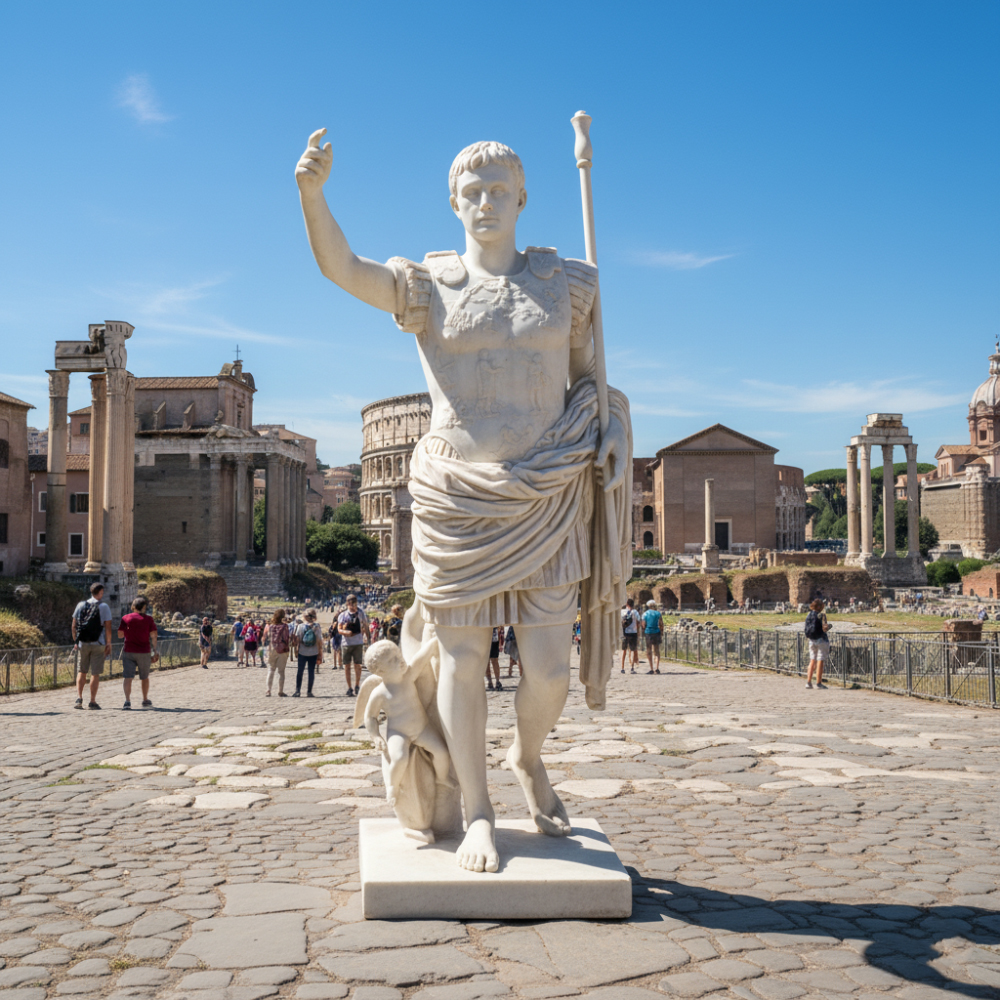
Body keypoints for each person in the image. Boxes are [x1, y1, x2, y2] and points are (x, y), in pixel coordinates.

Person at [295, 131, 631, 874]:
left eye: (498, 191)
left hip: (547, 492)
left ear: (521, 199)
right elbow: (343, 269)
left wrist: (609, 429)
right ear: (454, 203)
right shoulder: (429, 286)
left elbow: (590, 382)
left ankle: (528, 754)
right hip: (457, 499)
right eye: (471, 193)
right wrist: (313, 198)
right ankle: (477, 812)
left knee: (548, 671)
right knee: (463, 662)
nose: (484, 203)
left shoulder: (567, 283)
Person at [72, 582, 113, 710]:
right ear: (100, 592)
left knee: (82, 671)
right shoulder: (104, 607)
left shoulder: (80, 605)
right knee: (95, 673)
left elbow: (73, 626)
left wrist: (76, 641)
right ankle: (92, 701)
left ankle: (79, 698)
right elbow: (108, 628)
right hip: (98, 644)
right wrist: (108, 643)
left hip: (83, 643)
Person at [117, 596, 158, 709]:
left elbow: (120, 635)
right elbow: (153, 635)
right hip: (144, 651)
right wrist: (155, 650)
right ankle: (145, 699)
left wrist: (130, 632)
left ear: (133, 607)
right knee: (144, 677)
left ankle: (127, 701)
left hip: (129, 650)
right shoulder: (149, 619)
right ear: (144, 607)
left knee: (128, 677)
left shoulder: (126, 618)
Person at [338, 594, 369, 696]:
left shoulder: (361, 613)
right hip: (346, 643)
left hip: (358, 642)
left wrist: (368, 639)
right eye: (351, 604)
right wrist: (346, 632)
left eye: (354, 604)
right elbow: (339, 629)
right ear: (347, 604)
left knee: (358, 665)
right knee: (347, 666)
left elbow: (366, 626)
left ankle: (357, 685)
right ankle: (349, 687)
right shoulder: (342, 615)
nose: (353, 606)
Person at [289, 608, 322, 697]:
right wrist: (320, 654)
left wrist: (296, 650)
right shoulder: (317, 626)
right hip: (314, 652)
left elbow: (297, 640)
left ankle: (297, 691)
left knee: (300, 671)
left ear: (305, 617)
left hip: (302, 652)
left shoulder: (300, 626)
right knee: (311, 672)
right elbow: (319, 641)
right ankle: (309, 691)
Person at [263, 609, 291, 697]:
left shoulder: (271, 626)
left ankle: (268, 690)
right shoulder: (285, 626)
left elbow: (268, 637)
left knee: (271, 670)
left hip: (272, 648)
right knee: (281, 672)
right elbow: (286, 638)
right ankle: (280, 691)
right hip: (282, 650)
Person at [804, 598, 830, 689]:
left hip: (811, 640)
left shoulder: (809, 615)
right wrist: (829, 626)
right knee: (820, 661)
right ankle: (818, 683)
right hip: (821, 640)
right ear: (819, 606)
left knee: (812, 661)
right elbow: (825, 628)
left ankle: (808, 682)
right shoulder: (821, 615)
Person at [642, 600, 662, 674]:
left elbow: (643, 625)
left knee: (649, 650)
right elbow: (661, 624)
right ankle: (657, 668)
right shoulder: (658, 613)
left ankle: (651, 668)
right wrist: (661, 632)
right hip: (656, 632)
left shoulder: (645, 614)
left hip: (648, 632)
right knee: (656, 651)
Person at [620, 598, 640, 674]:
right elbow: (638, 621)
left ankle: (622, 668)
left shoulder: (622, 612)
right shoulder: (635, 612)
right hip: (633, 633)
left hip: (624, 633)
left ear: (627, 604)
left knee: (624, 650)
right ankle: (632, 668)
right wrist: (636, 628)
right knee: (632, 650)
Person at [486, 624, 503, 691]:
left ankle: (497, 681)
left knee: (494, 661)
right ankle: (490, 681)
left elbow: (500, 627)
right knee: (487, 662)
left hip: (494, 638)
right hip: (488, 638)